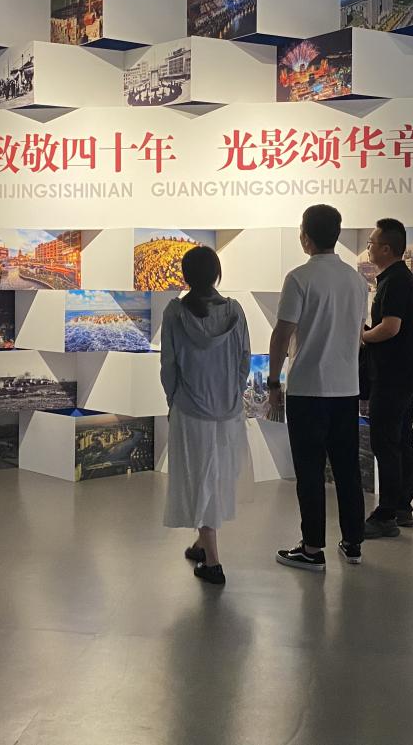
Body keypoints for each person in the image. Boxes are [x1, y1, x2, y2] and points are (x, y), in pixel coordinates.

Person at [269, 205, 369, 571]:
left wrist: (273, 380)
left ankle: (312, 548)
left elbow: (282, 334)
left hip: (308, 389)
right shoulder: (357, 281)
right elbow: (357, 334)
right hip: (346, 389)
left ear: (306, 237)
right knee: (347, 469)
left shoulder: (299, 278)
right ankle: (353, 542)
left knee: (309, 472)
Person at [160, 245, 250, 586]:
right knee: (216, 477)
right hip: (228, 411)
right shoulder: (235, 311)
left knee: (199, 478)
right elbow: (244, 360)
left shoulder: (175, 313)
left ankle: (213, 562)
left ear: (185, 276)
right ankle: (202, 543)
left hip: (191, 409)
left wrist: (172, 400)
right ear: (217, 274)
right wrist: (233, 394)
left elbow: (169, 365)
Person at [359, 219, 413, 539]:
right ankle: (401, 508)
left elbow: (390, 327)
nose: (368, 248)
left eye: (371, 243)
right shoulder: (400, 278)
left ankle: (386, 514)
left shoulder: (395, 281)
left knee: (386, 442)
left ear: (386, 248)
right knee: (401, 440)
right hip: (404, 374)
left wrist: (362, 337)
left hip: (391, 376)